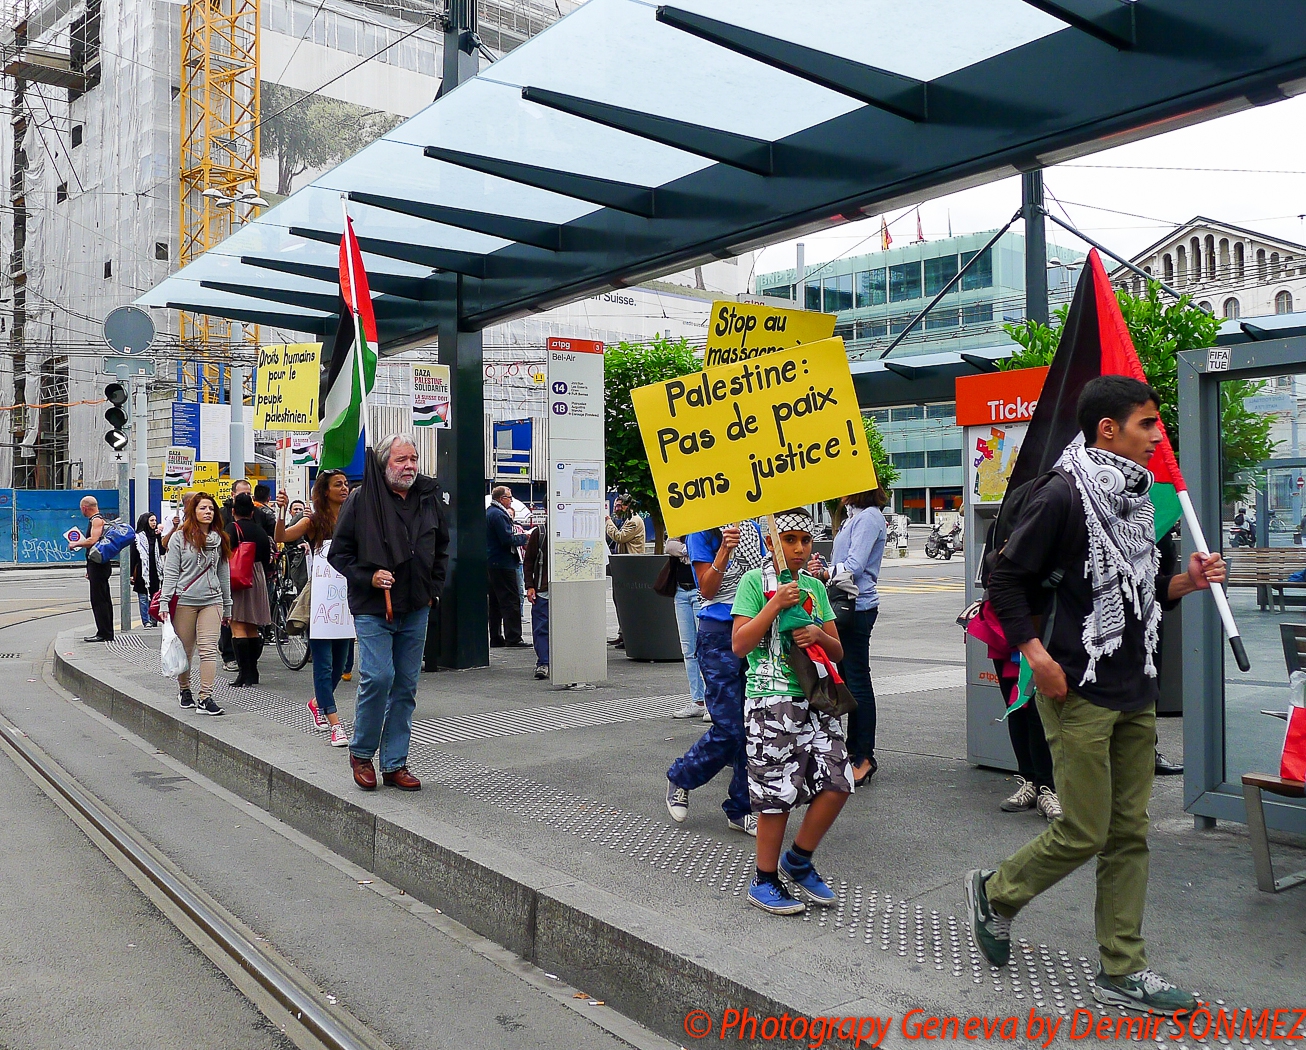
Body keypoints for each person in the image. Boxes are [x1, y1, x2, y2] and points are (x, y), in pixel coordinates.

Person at [967, 376, 1226, 1015]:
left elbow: (1142, 590)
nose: (1156, 436)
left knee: (1129, 832)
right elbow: (1005, 580)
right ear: (1108, 428)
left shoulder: (1138, 501)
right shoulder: (1061, 494)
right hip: (1075, 685)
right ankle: (997, 894)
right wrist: (1037, 657)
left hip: (1133, 683)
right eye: (1146, 424)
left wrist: (1186, 582)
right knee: (1085, 829)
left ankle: (1122, 968)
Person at [731, 509, 852, 916]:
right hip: (770, 701)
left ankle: (798, 860)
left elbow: (837, 650)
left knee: (839, 781)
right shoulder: (753, 581)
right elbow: (740, 644)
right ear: (772, 543)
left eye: (805, 540)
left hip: (817, 700)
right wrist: (774, 607)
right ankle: (764, 878)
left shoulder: (815, 587)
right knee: (775, 794)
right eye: (790, 539)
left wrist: (818, 632)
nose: (799, 548)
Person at [330, 434, 449, 792]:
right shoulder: (361, 500)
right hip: (374, 608)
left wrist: (433, 591)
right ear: (384, 464)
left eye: (413, 458)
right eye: (401, 460)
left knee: (405, 686)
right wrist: (370, 576)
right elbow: (339, 554)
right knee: (378, 677)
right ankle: (362, 752)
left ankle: (395, 762)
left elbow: (442, 548)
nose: (410, 465)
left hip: (415, 607)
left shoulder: (429, 498)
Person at [665, 520, 768, 837]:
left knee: (751, 726)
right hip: (719, 633)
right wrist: (724, 548)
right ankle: (682, 775)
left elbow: (765, 575)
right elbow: (706, 588)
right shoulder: (702, 529)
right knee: (729, 728)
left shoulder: (752, 527)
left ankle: (741, 807)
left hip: (753, 630)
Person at [808, 489, 889, 785]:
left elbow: (854, 566)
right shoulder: (854, 517)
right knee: (848, 679)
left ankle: (864, 755)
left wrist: (827, 572)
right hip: (846, 603)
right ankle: (853, 751)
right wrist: (824, 568)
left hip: (857, 605)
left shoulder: (868, 518)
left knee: (856, 680)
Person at [277, 469, 352, 747]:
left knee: (341, 664)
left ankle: (316, 703)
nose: (344, 489)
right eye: (338, 485)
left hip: (345, 601)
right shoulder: (313, 521)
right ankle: (335, 723)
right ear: (325, 491)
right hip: (321, 601)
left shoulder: (352, 517)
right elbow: (282, 536)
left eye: (346, 484)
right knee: (323, 665)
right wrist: (282, 511)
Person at [158, 492, 230, 717]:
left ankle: (205, 697)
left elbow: (223, 573)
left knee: (209, 650)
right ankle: (185, 690)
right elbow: (171, 572)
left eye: (211, 508)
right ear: (193, 512)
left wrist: (227, 606)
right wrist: (164, 601)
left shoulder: (220, 539)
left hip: (212, 600)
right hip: (186, 601)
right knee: (186, 650)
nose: (207, 512)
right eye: (203, 508)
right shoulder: (180, 538)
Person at [226, 492, 273, 686]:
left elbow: (224, 554)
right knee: (252, 625)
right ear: (253, 512)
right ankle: (253, 672)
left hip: (238, 578)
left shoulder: (231, 528)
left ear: (234, 511)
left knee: (237, 625)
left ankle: (243, 674)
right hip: (258, 577)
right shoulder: (260, 531)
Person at [665, 536, 707, 720]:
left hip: (701, 591)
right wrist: (687, 550)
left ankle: (711, 702)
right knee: (688, 649)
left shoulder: (705, 529)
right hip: (681, 591)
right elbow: (669, 546)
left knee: (705, 648)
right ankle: (697, 700)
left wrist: (687, 550)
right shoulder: (681, 527)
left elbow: (704, 552)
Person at [486, 486, 529, 648]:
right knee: (511, 600)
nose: (511, 500)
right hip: (503, 563)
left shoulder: (490, 512)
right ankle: (514, 637)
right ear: (501, 498)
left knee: (495, 602)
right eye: (509, 497)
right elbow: (506, 539)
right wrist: (524, 537)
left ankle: (496, 637)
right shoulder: (498, 514)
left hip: (493, 562)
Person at [70, 495, 113, 642]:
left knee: (99, 600)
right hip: (98, 565)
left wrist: (75, 544)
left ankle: (105, 633)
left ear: (84, 508)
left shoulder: (96, 520)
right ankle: (105, 631)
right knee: (103, 598)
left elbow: (93, 540)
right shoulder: (98, 519)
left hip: (99, 566)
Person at [130, 512, 168, 628]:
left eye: (155, 521)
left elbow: (162, 551)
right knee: (143, 597)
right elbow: (133, 557)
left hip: (155, 571)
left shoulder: (156, 536)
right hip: (142, 571)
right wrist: (131, 574)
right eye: (151, 520)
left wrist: (159, 537)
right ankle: (146, 621)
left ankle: (154, 619)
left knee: (155, 595)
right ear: (145, 521)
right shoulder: (137, 538)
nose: (154, 523)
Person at [523, 520, 549, 680]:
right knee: (541, 627)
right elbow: (529, 561)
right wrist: (530, 585)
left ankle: (547, 662)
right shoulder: (539, 533)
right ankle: (544, 662)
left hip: (562, 588)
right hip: (542, 589)